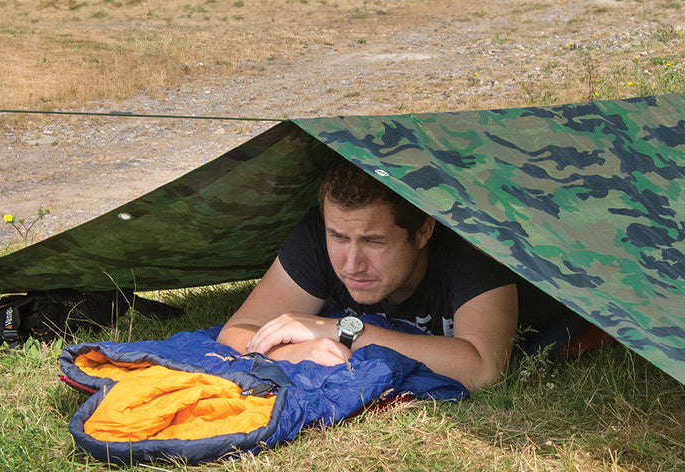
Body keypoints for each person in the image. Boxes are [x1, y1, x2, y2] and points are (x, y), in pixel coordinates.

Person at [217, 158, 562, 390]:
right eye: (339, 237)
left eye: (374, 241)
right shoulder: (323, 235)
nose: (352, 263)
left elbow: (484, 370)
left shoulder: (472, 245)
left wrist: (342, 332)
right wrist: (288, 353)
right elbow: (237, 330)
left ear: (424, 231)